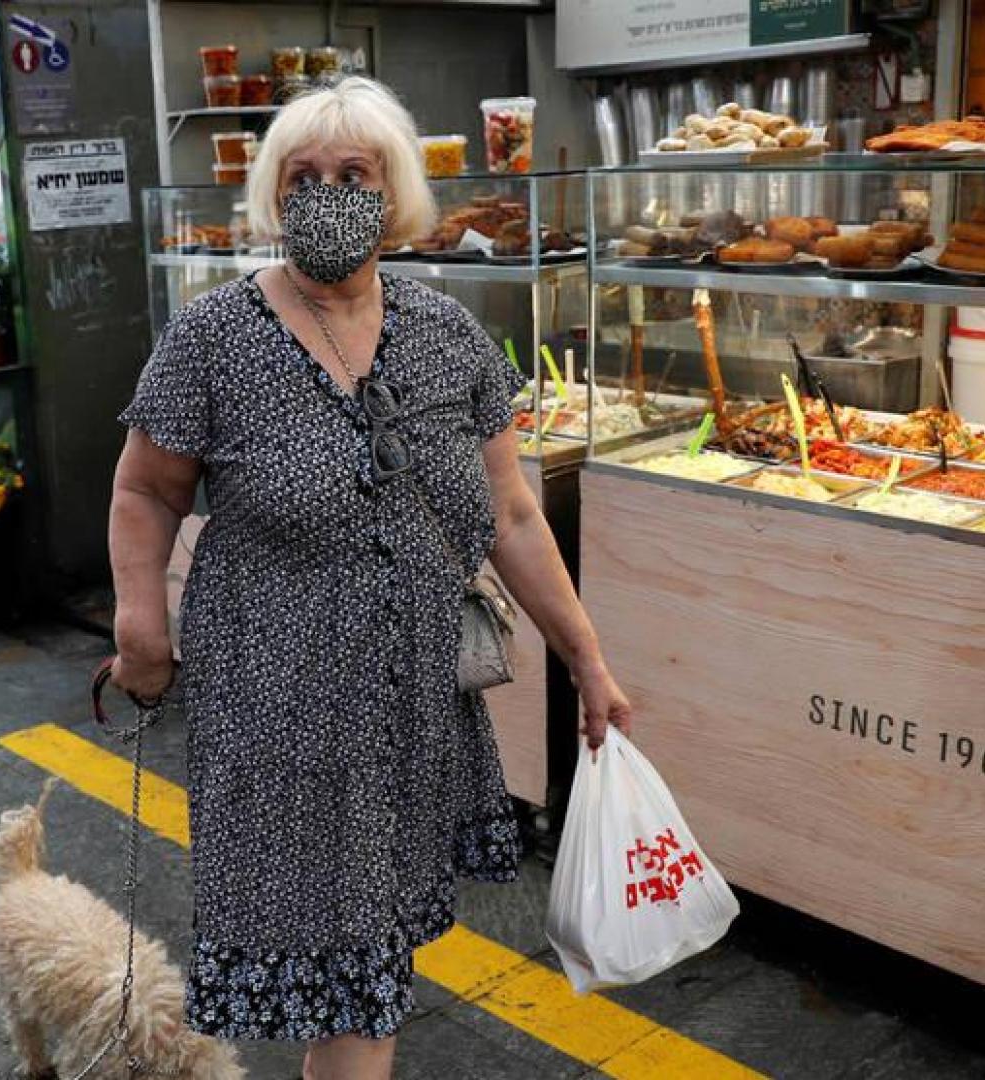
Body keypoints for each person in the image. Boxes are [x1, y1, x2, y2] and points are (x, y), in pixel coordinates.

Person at [106, 78, 632, 1080]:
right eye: (303, 177)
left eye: (355, 175)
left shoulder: (450, 338)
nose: (328, 194)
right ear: (272, 196)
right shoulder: (212, 339)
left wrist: (588, 658)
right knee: (353, 972)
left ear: (397, 196)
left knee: (367, 966)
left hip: (409, 708)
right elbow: (144, 487)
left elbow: (513, 514)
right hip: (277, 708)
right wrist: (141, 620)